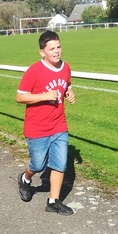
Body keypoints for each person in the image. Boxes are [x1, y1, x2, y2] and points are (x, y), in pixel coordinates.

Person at [16, 30, 76, 215]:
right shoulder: (34, 71)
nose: (57, 51)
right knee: (38, 165)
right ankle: (25, 178)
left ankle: (53, 201)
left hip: (59, 124)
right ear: (42, 52)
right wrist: (44, 96)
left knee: (60, 163)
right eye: (52, 49)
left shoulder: (65, 67)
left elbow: (67, 83)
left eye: (58, 47)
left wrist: (70, 92)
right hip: (37, 127)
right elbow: (20, 97)